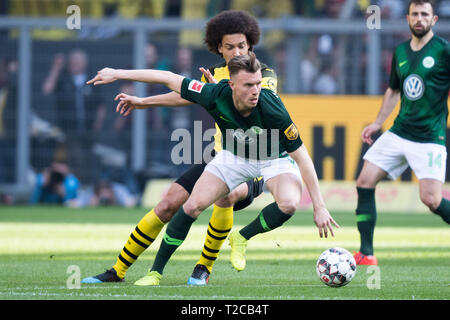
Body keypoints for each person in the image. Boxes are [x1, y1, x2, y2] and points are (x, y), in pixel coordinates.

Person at [85, 52, 339, 286]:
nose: (256, 90)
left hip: (274, 158)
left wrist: (319, 205)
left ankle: (241, 237)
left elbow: (303, 157)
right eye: (249, 85)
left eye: (258, 83)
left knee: (290, 203)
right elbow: (169, 78)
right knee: (191, 206)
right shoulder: (215, 93)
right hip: (233, 158)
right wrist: (118, 73)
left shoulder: (272, 107)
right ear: (232, 85)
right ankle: (155, 272)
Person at [81, 10, 278, 286]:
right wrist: (140, 99)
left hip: (255, 163)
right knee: (167, 203)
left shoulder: (263, 74)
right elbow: (179, 90)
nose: (236, 52)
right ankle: (117, 270)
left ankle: (202, 269)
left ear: (251, 45)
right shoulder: (219, 75)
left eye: (241, 46)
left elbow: (253, 103)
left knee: (227, 194)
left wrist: (219, 91)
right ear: (218, 47)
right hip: (221, 160)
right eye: (230, 46)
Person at [353, 0, 450, 266]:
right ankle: (366, 253)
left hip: (430, 137)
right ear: (407, 18)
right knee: (364, 181)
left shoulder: (444, 51)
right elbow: (394, 90)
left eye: (425, 14)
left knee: (431, 200)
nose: (419, 19)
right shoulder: (400, 51)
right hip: (399, 132)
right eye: (415, 14)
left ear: (434, 20)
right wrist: (377, 122)